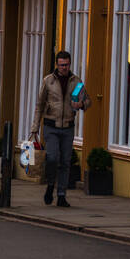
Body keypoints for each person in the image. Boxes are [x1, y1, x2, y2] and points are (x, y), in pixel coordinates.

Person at [28, 50, 88, 207]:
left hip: (68, 127)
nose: (64, 68)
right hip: (51, 126)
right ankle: (49, 186)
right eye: (61, 65)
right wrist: (35, 127)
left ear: (70, 64)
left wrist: (81, 104)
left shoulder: (76, 82)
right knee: (53, 158)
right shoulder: (48, 81)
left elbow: (87, 101)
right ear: (57, 64)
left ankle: (61, 195)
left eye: (66, 65)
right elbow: (39, 105)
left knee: (65, 162)